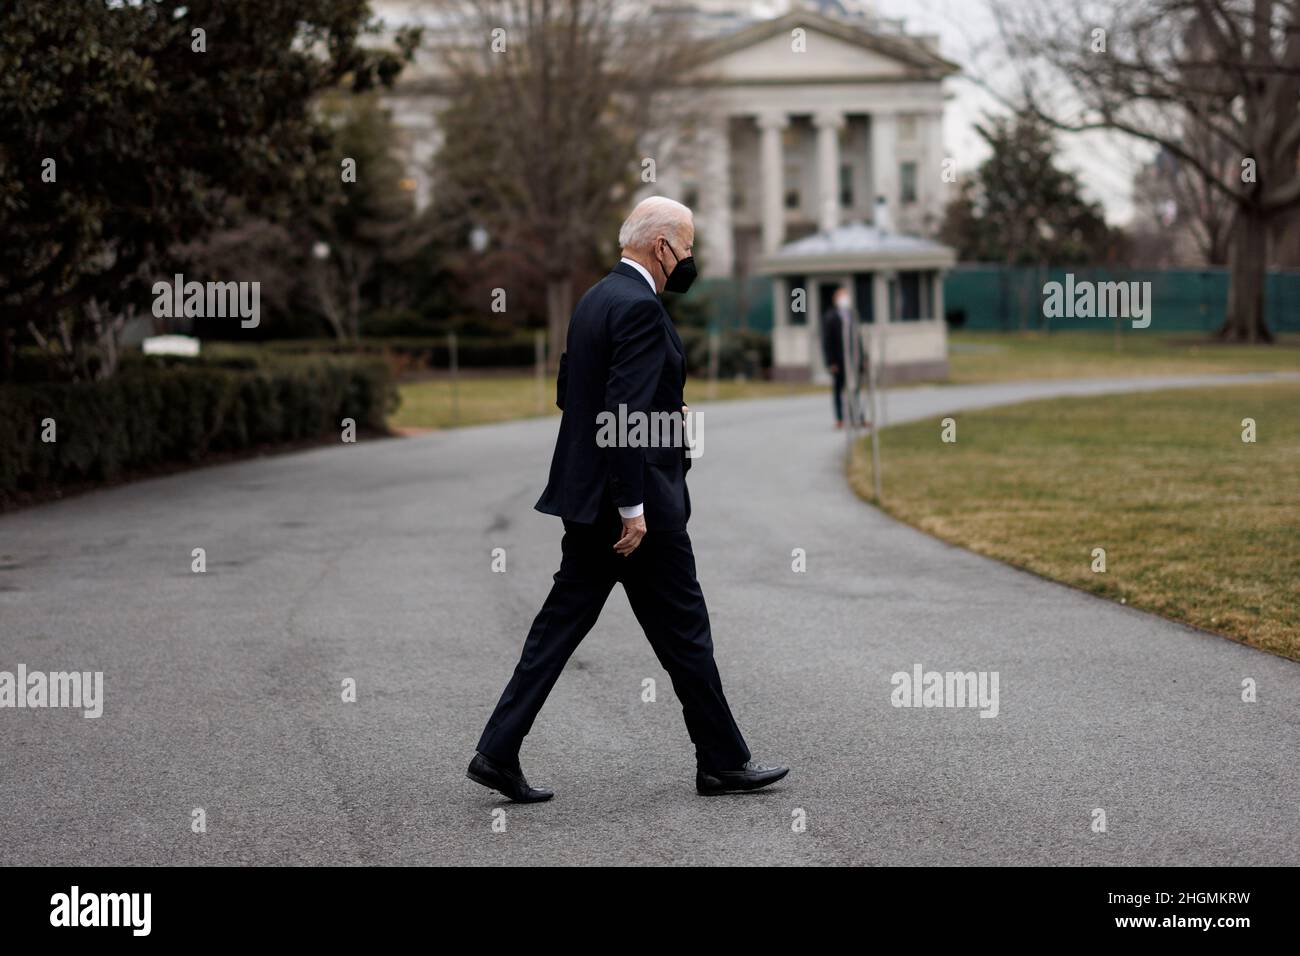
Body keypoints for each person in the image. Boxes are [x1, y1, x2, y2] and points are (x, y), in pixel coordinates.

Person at [468, 197, 788, 802]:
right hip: (636, 512)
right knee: (686, 632)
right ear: (661, 245)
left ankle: (497, 749)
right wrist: (633, 507)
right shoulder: (640, 308)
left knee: (559, 630)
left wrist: (667, 418)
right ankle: (722, 762)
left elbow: (575, 394)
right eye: (688, 246)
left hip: (590, 502)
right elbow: (620, 414)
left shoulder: (595, 299)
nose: (689, 259)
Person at [820, 286, 868, 429]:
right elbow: (827, 341)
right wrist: (831, 362)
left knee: (856, 389)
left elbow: (858, 338)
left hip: (854, 359)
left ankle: (858, 417)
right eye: (841, 296)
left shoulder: (853, 315)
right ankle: (840, 419)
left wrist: (864, 358)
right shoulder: (830, 317)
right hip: (839, 361)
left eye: (846, 296)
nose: (844, 299)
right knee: (839, 390)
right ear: (835, 299)